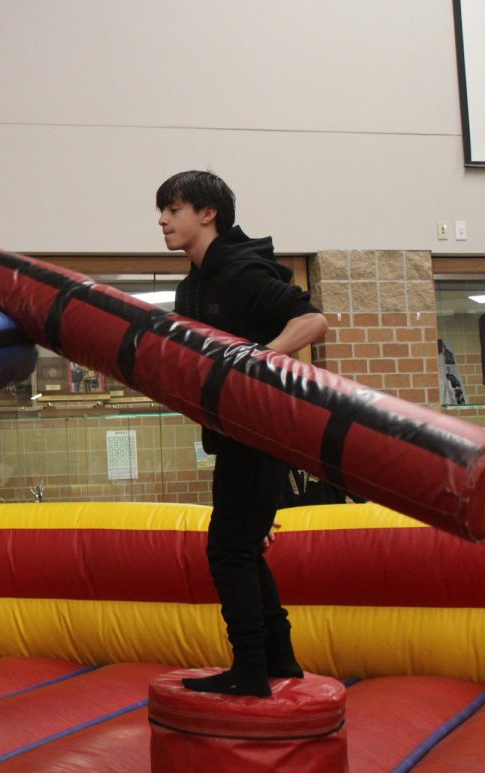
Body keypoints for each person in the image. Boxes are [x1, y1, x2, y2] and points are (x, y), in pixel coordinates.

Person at [156, 170, 329, 697]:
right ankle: (281, 660)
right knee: (245, 548)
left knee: (228, 550)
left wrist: (260, 359)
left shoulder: (239, 271)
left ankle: (251, 669)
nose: (163, 220)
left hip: (261, 432)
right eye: (161, 212)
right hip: (232, 436)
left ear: (207, 213)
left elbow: (313, 321)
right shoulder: (193, 285)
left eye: (173, 209)